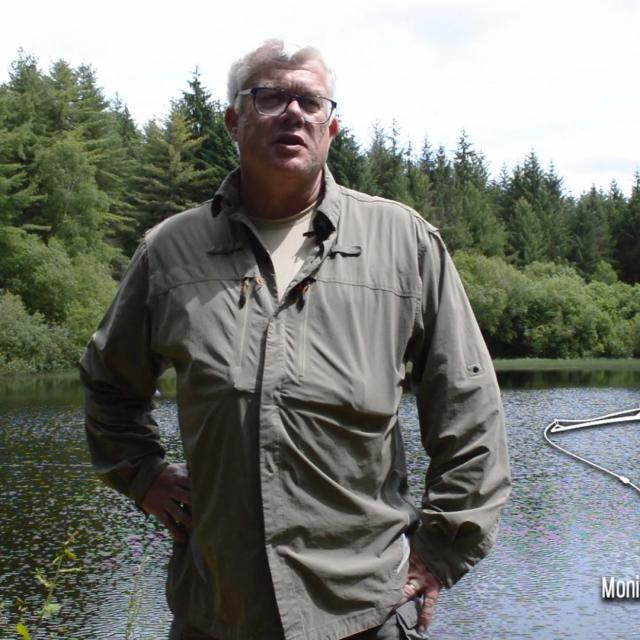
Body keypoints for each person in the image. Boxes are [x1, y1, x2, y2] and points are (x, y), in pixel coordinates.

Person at [80, 39, 511, 640]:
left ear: (331, 126)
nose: (293, 113)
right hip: (218, 607)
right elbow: (108, 385)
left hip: (365, 608)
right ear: (234, 120)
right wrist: (142, 473)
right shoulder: (171, 252)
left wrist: (440, 552)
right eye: (271, 97)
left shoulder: (402, 243)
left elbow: (469, 410)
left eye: (310, 100)